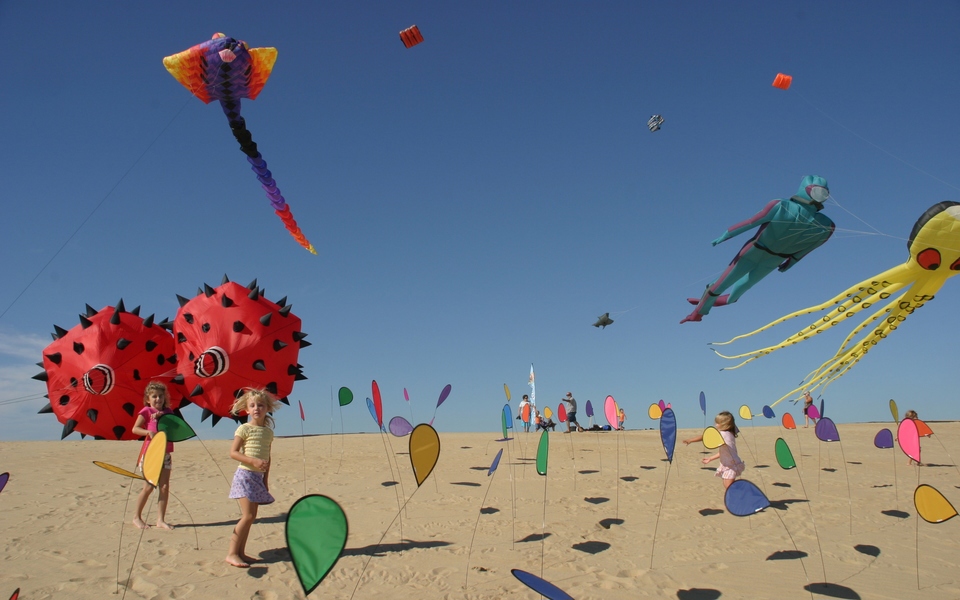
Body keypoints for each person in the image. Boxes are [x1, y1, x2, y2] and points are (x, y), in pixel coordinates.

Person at [682, 176, 835, 324]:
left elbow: (751, 223)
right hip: (760, 254)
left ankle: (706, 303)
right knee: (718, 286)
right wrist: (726, 235)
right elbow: (752, 223)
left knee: (734, 290)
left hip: (767, 257)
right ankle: (701, 309)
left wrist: (727, 234)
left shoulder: (815, 220)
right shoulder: (818, 221)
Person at [226, 388, 282, 568]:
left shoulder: (268, 433)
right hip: (245, 475)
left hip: (258, 478)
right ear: (247, 410)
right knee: (247, 515)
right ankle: (232, 553)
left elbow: (268, 457)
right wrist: (252, 461)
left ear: (267, 408)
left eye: (260, 405)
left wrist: (265, 481)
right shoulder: (244, 428)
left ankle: (241, 552)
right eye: (252, 405)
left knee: (252, 516)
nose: (256, 408)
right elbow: (233, 453)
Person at [132, 381, 175, 530]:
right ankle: (137, 517)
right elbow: (135, 429)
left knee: (164, 487)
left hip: (166, 453)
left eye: (161, 396)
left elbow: (175, 429)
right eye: (154, 396)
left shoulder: (169, 412)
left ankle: (160, 520)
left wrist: (165, 419)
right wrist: (148, 430)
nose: (158, 399)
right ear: (148, 399)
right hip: (151, 453)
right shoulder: (146, 411)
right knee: (149, 486)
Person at [683, 411, 745, 489]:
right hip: (727, 464)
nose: (715, 425)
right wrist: (710, 458)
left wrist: (691, 440)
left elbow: (705, 436)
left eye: (717, 423)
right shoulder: (729, 433)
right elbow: (723, 453)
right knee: (728, 486)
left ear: (724, 424)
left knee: (730, 488)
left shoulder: (723, 434)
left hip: (731, 465)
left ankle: (741, 497)